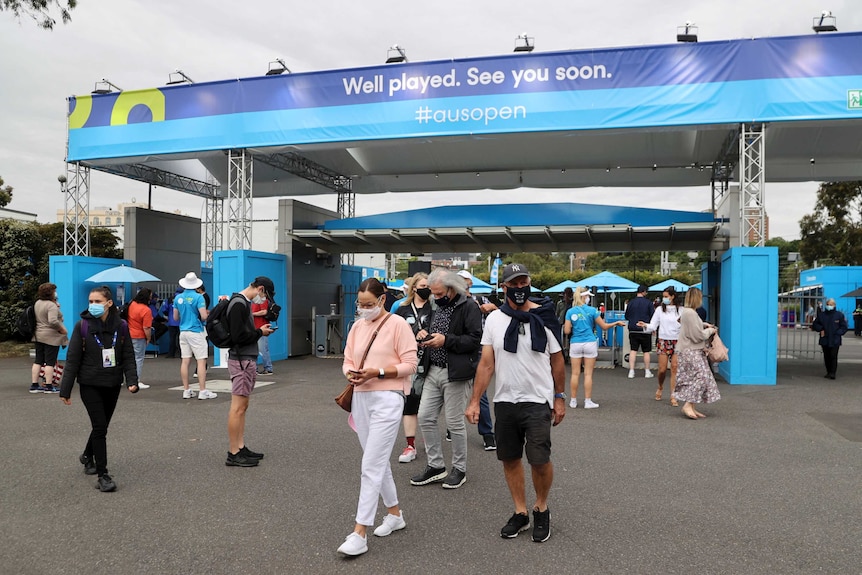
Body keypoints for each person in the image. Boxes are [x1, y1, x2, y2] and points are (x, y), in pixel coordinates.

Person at [466, 262, 565, 542]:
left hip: (537, 400)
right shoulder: (495, 320)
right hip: (505, 401)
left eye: (524, 283)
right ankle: (520, 512)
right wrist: (475, 401)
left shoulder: (545, 317)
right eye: (514, 284)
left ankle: (541, 507)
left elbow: (558, 361)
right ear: (504, 287)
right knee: (509, 458)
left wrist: (559, 398)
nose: (520, 288)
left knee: (539, 459)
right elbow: (486, 364)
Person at [336, 278, 418, 557]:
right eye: (360, 304)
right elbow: (347, 360)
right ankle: (394, 514)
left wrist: (378, 372)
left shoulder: (398, 325)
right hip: (361, 396)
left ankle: (360, 531)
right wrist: (351, 373)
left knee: (371, 463)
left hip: (388, 398)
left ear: (383, 300)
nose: (363, 309)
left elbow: (410, 365)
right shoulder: (357, 327)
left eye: (369, 304)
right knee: (377, 461)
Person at [58, 285, 139, 492]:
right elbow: (73, 358)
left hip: (112, 383)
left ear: (109, 303)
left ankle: (87, 456)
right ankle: (103, 475)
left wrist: (132, 380)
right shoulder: (82, 326)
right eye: (91, 302)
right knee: (100, 427)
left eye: (97, 302)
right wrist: (65, 389)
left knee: (100, 426)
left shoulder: (121, 326)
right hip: (90, 384)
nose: (93, 305)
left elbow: (128, 354)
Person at [410, 268, 482, 490]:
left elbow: (474, 340)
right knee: (425, 417)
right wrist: (421, 332)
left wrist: (446, 340)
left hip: (456, 372)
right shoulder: (433, 304)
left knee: (454, 423)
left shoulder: (469, 306)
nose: (436, 297)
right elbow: (424, 325)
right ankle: (436, 466)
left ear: (453, 288)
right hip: (433, 369)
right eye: (433, 293)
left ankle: (459, 469)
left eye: (440, 294)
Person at [225, 277, 277, 467]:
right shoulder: (239, 304)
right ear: (260, 289)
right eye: (265, 295)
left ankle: (240, 446)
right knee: (237, 407)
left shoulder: (240, 302)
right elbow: (238, 336)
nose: (263, 300)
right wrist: (259, 333)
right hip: (241, 359)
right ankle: (233, 452)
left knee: (242, 407)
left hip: (244, 358)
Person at [564, 287, 625, 409]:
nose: (588, 298)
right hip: (590, 342)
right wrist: (616, 323)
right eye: (587, 297)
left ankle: (573, 401)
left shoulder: (570, 312)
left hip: (575, 342)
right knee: (588, 374)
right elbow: (604, 326)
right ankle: (587, 401)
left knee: (575, 374)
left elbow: (566, 330)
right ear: (584, 297)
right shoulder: (592, 311)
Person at [457, 268, 496, 451]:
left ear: (470, 283)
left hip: (479, 350)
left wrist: (493, 308)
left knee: (481, 393)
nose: (462, 282)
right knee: (455, 391)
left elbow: (500, 317)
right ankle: (453, 427)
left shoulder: (481, 300)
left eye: (465, 279)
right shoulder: (450, 301)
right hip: (457, 350)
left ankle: (488, 434)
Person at [394, 272, 432, 463]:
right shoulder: (402, 309)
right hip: (410, 363)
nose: (426, 289)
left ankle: (429, 441)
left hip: (431, 362)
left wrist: (429, 334)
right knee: (410, 404)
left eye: (429, 286)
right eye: (423, 286)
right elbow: (393, 334)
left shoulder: (435, 308)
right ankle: (410, 445)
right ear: (414, 287)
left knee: (428, 406)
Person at [672, 288, 720, 419]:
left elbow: (684, 323)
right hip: (691, 349)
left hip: (689, 349)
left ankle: (692, 405)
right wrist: (711, 331)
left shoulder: (688, 312)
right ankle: (688, 404)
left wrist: (703, 324)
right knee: (702, 376)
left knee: (695, 377)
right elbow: (697, 336)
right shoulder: (691, 313)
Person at [174, 272, 216, 400]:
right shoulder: (199, 298)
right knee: (201, 360)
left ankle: (186, 390)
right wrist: (208, 315)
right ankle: (202, 391)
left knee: (185, 361)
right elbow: (203, 316)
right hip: (196, 331)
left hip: (183, 331)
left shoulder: (178, 298)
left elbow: (175, 317)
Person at [638, 287, 681, 406]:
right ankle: (660, 386)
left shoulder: (681, 310)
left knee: (674, 367)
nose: (664, 299)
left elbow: (687, 324)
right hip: (663, 340)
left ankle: (673, 395)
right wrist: (645, 325)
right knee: (662, 369)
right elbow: (653, 325)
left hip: (677, 341)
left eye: (667, 296)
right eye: (664, 296)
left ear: (672, 296)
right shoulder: (659, 310)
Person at [30, 282, 69, 393]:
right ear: (51, 293)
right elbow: (52, 321)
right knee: (50, 362)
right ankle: (48, 385)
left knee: (38, 360)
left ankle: (34, 385)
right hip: (51, 337)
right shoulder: (51, 305)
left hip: (38, 335)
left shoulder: (38, 303)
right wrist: (62, 329)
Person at [811, 298, 848, 380]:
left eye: (831, 304)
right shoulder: (822, 315)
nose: (829, 306)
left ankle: (832, 373)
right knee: (826, 356)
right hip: (825, 339)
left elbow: (844, 327)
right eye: (828, 304)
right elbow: (815, 325)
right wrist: (821, 329)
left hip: (835, 339)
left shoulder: (839, 315)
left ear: (834, 305)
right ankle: (828, 371)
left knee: (833, 356)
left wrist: (838, 333)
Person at [624, 284, 655, 379]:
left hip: (633, 329)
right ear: (644, 292)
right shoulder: (648, 303)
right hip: (645, 329)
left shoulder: (631, 303)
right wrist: (652, 328)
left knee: (633, 350)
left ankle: (631, 371)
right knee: (646, 351)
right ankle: (647, 371)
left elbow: (627, 316)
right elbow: (653, 316)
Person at [126, 288, 153, 390]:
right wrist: (148, 338)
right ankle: (135, 381)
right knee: (138, 358)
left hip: (129, 334)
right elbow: (146, 327)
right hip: (139, 336)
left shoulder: (132, 304)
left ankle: (126, 379)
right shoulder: (146, 310)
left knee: (127, 358)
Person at [251, 294, 274, 375]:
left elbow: (265, 311)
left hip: (261, 327)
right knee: (258, 349)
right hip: (256, 328)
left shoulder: (262, 300)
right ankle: (257, 369)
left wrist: (252, 314)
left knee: (263, 349)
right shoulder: (255, 302)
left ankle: (268, 368)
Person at [160, 287, 182, 358]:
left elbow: (164, 310)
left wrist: (169, 315)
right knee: (181, 338)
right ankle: (182, 354)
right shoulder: (183, 299)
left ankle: (171, 354)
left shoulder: (169, 299)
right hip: (181, 322)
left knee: (172, 338)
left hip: (171, 322)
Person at [555, 287, 574, 364]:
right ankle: (564, 354)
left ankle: (569, 354)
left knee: (570, 340)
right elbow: (557, 313)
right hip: (562, 323)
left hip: (572, 324)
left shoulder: (573, 303)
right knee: (562, 340)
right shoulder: (560, 303)